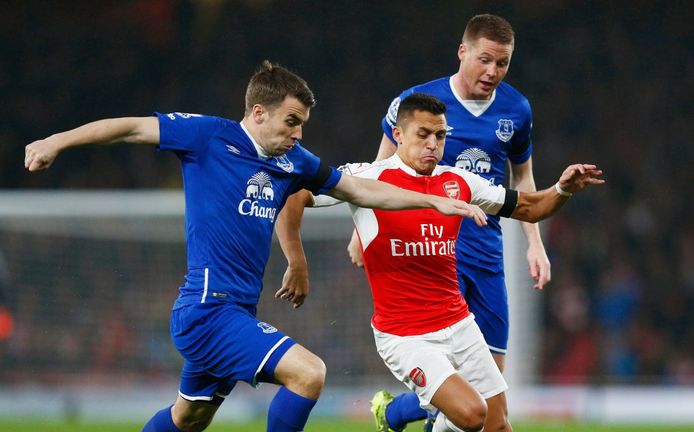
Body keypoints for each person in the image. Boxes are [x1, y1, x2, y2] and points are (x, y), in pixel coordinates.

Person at [23, 61, 485, 432]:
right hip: (206, 311)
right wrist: (55, 141)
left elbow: (361, 191)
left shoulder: (293, 161)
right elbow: (130, 128)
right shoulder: (207, 137)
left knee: (189, 418)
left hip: (235, 312)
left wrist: (431, 202)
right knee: (309, 373)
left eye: (302, 124)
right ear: (258, 113)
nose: (298, 133)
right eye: (291, 121)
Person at [279, 93, 603, 432]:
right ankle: (399, 414)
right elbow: (297, 193)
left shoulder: (459, 181)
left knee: (498, 426)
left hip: (459, 324)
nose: (433, 144)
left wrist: (562, 189)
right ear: (399, 134)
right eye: (423, 134)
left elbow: (530, 207)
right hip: (406, 336)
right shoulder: (366, 178)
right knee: (472, 414)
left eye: (441, 135)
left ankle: (399, 416)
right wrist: (297, 262)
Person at [343, 14, 548, 431]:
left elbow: (522, 180)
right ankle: (399, 411)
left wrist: (535, 242)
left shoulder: (516, 108)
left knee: (490, 392)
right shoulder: (419, 101)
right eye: (485, 59)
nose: (493, 71)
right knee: (468, 402)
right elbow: (381, 167)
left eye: (503, 63)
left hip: (485, 246)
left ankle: (395, 411)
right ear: (463, 52)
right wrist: (359, 229)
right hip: (432, 246)